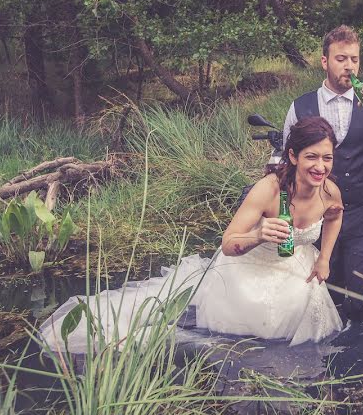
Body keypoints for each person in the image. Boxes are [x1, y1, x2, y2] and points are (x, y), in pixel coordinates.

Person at [39, 117, 345, 352]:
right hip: (249, 272)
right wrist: (258, 235)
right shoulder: (269, 190)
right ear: (293, 157)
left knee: (305, 319)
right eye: (312, 157)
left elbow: (334, 216)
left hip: (297, 269)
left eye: (327, 158)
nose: (320, 167)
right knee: (250, 343)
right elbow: (228, 243)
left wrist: (325, 259)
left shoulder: (329, 190)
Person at [283, 25, 363, 322]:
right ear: (324, 61)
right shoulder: (300, 107)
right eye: (341, 59)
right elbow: (285, 164)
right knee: (324, 298)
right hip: (318, 217)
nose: (349, 66)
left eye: (354, 59)